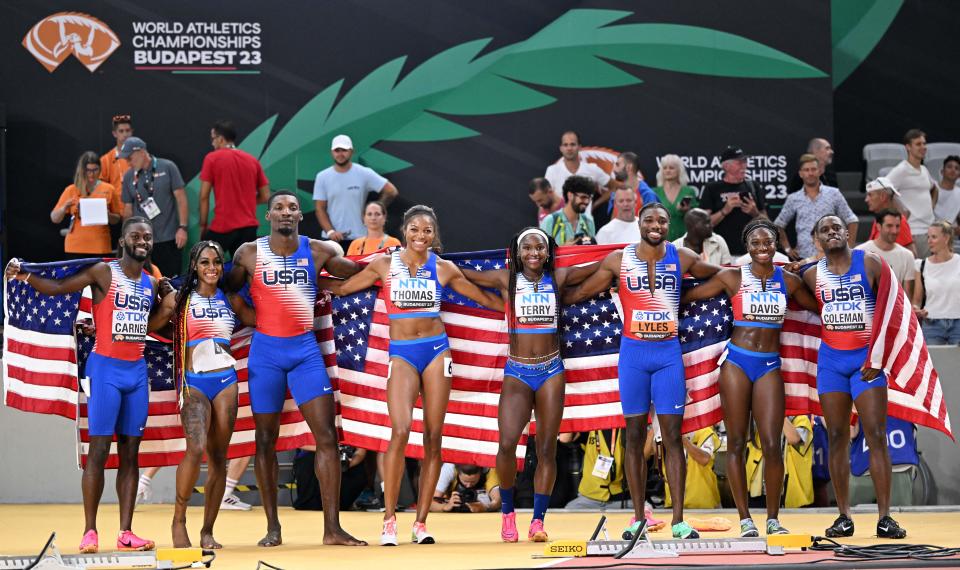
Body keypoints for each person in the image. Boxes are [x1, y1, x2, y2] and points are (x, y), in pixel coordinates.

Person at [319, 205, 503, 546]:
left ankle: (420, 522)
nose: (421, 235)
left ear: (435, 235)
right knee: (400, 431)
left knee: (434, 436)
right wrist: (307, 275)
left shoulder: (443, 267)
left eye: (428, 230)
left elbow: (481, 298)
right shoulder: (384, 265)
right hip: (402, 354)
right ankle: (389, 520)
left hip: (436, 351)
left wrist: (519, 307)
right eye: (415, 229)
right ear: (404, 231)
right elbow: (345, 289)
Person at [6, 217, 173, 553]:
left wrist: (168, 302)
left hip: (136, 373)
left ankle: (126, 532)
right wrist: (24, 274)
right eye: (135, 235)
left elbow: (149, 326)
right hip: (106, 370)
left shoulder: (151, 283)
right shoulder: (103, 273)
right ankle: (90, 531)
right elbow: (58, 288)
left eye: (148, 237)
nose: (143, 240)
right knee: (98, 451)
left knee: (130, 454)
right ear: (123, 241)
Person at [562, 203, 721, 540]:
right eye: (649, 219)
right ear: (639, 223)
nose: (655, 225)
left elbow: (723, 275)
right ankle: (638, 518)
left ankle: (678, 520)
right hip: (633, 357)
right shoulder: (619, 259)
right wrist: (546, 295)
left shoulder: (683, 257)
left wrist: (772, 269)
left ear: (668, 225)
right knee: (634, 438)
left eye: (662, 221)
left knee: (673, 438)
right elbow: (583, 291)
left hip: (668, 358)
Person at [226, 190, 366, 547]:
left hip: (305, 351)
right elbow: (225, 289)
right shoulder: (249, 253)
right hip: (266, 355)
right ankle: (273, 527)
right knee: (265, 441)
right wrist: (249, 317)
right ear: (268, 215)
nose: (285, 212)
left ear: (300, 215)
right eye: (278, 208)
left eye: (291, 207)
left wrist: (389, 263)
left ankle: (332, 528)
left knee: (327, 438)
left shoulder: (320, 250)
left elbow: (354, 277)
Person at [681, 219, 817, 537]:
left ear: (776, 244)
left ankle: (772, 518)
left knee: (772, 444)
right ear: (747, 247)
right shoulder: (733, 276)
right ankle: (745, 520)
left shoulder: (789, 280)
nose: (762, 248)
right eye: (755, 243)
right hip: (737, 364)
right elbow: (689, 297)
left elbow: (820, 307)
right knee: (737, 443)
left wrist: (811, 264)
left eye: (768, 242)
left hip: (770, 365)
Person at [462, 228, 574, 542]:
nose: (534, 252)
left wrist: (623, 256)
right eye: (527, 247)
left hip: (551, 369)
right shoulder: (506, 279)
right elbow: (463, 274)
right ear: (517, 252)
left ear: (548, 252)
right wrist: (429, 260)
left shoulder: (559, 279)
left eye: (540, 247)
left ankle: (537, 521)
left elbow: (604, 269)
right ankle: (508, 512)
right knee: (508, 444)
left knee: (547, 449)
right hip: (518, 371)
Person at [801, 215, 907, 539]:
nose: (832, 232)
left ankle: (885, 517)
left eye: (837, 227)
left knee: (875, 434)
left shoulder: (871, 263)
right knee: (836, 436)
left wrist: (879, 357)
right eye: (825, 230)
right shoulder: (810, 274)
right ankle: (843, 516)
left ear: (847, 233)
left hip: (866, 362)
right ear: (817, 240)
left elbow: (892, 308)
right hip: (831, 363)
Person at [150, 241, 256, 548]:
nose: (212, 268)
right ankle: (178, 520)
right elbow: (151, 326)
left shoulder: (231, 299)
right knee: (195, 449)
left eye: (217, 262)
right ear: (194, 266)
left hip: (226, 380)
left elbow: (261, 319)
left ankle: (207, 530)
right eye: (205, 262)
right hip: (194, 382)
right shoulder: (180, 299)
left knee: (220, 459)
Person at [313, 134, 399, 250]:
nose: (340, 154)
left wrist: (373, 209)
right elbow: (320, 208)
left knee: (362, 269)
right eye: (337, 150)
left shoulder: (364, 173)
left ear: (351, 151)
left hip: (360, 237)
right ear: (332, 152)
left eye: (344, 150)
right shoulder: (322, 177)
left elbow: (391, 191)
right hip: (331, 239)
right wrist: (330, 231)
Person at [199, 120, 271, 256]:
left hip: (223, 225)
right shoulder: (252, 160)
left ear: (220, 139)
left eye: (213, 139)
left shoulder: (212, 159)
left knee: (205, 263)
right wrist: (245, 200)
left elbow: (204, 197)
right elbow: (266, 196)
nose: (212, 143)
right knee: (244, 271)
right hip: (249, 227)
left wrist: (203, 225)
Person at [119, 137, 188, 277]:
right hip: (141, 242)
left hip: (168, 237)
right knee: (144, 281)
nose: (128, 162)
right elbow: (127, 209)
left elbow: (181, 198)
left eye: (130, 158)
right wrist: (127, 237)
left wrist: (183, 228)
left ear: (141, 152)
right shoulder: (128, 177)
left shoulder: (168, 167)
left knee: (170, 281)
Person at [775, 154, 858, 260]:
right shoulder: (794, 198)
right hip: (804, 258)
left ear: (820, 171)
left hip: (832, 256)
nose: (810, 173)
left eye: (813, 169)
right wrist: (787, 249)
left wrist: (848, 248)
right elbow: (779, 224)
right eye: (806, 170)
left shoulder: (834, 194)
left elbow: (852, 220)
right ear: (801, 174)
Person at [700, 145, 767, 256]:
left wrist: (755, 213)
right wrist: (724, 211)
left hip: (751, 252)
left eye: (745, 161)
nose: (744, 165)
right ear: (726, 166)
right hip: (720, 252)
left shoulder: (753, 186)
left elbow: (768, 224)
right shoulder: (712, 188)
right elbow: (703, 224)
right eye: (739, 162)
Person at [51, 151, 123, 256]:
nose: (92, 174)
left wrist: (108, 215)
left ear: (100, 169)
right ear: (82, 170)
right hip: (75, 246)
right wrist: (64, 208)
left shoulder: (109, 189)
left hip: (100, 246)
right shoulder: (71, 190)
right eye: (88, 170)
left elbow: (117, 219)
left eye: (95, 170)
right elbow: (54, 218)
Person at [886, 129, 938, 257]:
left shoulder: (924, 169)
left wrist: (930, 207)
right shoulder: (901, 170)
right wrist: (901, 212)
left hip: (930, 230)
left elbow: (935, 188)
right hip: (913, 232)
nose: (923, 147)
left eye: (924, 144)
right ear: (908, 147)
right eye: (918, 144)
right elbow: (882, 189)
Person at [912, 220, 960, 345]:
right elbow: (917, 300)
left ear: (946, 238)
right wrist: (916, 309)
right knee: (935, 364)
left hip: (958, 324)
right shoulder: (921, 265)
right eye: (928, 237)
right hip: (932, 325)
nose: (929, 241)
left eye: (933, 237)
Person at [544, 130, 614, 214]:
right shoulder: (552, 170)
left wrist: (594, 204)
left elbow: (614, 187)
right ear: (561, 148)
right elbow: (544, 199)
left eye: (572, 144)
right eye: (565, 145)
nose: (569, 148)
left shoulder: (592, 169)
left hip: (585, 224)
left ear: (579, 147)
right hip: (560, 224)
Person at [856, 209, 916, 297]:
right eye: (889, 226)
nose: (894, 231)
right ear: (878, 226)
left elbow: (907, 296)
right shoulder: (860, 252)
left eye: (897, 226)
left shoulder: (907, 255)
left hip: (895, 307)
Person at [661, 425, 721, 509]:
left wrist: (681, 438)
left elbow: (704, 459)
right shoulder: (664, 433)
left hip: (703, 505)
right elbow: (646, 456)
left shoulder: (705, 431)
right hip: (672, 505)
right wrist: (654, 429)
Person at [864, 177, 916, 256]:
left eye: (870, 195)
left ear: (883, 196)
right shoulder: (879, 219)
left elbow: (912, 255)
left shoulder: (899, 221)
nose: (866, 199)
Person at [652, 154, 698, 241]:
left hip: (684, 239)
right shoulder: (654, 192)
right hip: (660, 240)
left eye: (671, 168)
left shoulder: (688, 191)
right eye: (665, 168)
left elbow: (696, 218)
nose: (667, 171)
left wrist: (687, 210)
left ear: (679, 171)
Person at [540, 175, 596, 244]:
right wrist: (563, 250)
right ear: (570, 195)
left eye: (589, 198)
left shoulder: (589, 221)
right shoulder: (550, 221)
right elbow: (541, 252)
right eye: (583, 197)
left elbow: (593, 250)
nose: (587, 201)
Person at [430, 464, 502, 513]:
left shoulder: (489, 469)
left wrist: (484, 507)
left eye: (473, 482)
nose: (468, 486)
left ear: (480, 472)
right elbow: (430, 503)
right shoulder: (449, 468)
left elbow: (497, 501)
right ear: (458, 472)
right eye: (465, 481)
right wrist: (445, 506)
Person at [612, 151, 659, 218]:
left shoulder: (647, 195)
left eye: (617, 165)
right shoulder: (616, 193)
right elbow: (613, 220)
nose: (614, 169)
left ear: (629, 167)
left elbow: (652, 225)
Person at [100, 114, 134, 191]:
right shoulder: (106, 160)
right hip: (116, 202)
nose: (125, 134)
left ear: (132, 132)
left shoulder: (140, 155)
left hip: (138, 201)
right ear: (114, 134)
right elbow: (100, 188)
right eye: (121, 131)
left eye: (127, 131)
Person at [934, 155, 960, 229]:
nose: (953, 170)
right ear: (942, 172)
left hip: (952, 234)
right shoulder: (932, 188)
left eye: (957, 168)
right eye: (949, 167)